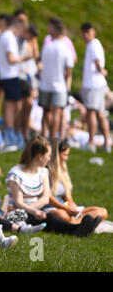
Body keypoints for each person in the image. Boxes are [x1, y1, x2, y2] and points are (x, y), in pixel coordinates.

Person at [6, 135, 101, 237]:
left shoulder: (43, 172)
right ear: (39, 156)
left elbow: (45, 199)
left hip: (35, 211)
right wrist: (34, 211)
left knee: (50, 218)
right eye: (48, 155)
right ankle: (78, 229)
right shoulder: (16, 174)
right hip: (19, 214)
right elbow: (19, 203)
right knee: (51, 218)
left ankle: (78, 229)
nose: (49, 159)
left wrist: (36, 212)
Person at [46, 139, 108, 223]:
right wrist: (64, 208)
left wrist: (72, 205)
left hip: (64, 206)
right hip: (51, 207)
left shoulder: (63, 170)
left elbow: (68, 197)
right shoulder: (45, 171)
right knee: (62, 215)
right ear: (56, 156)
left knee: (103, 211)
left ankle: (76, 222)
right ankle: (80, 223)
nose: (67, 158)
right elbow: (49, 198)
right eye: (65, 155)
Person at [0, 17, 32, 149]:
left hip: (7, 74)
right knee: (12, 105)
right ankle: (11, 134)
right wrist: (25, 57)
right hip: (10, 74)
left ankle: (11, 133)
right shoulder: (9, 37)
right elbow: (11, 59)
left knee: (11, 103)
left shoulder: (4, 36)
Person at [39, 17, 74, 140]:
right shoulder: (65, 49)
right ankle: (53, 138)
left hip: (45, 84)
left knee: (45, 111)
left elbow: (41, 64)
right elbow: (69, 71)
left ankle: (44, 136)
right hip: (59, 85)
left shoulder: (47, 47)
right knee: (57, 113)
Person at [80, 22, 111, 153]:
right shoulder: (94, 44)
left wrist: (101, 70)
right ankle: (106, 143)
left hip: (93, 84)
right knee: (100, 114)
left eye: (87, 33)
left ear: (92, 32)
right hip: (97, 84)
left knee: (92, 113)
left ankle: (92, 142)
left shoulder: (93, 44)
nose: (86, 36)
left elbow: (97, 61)